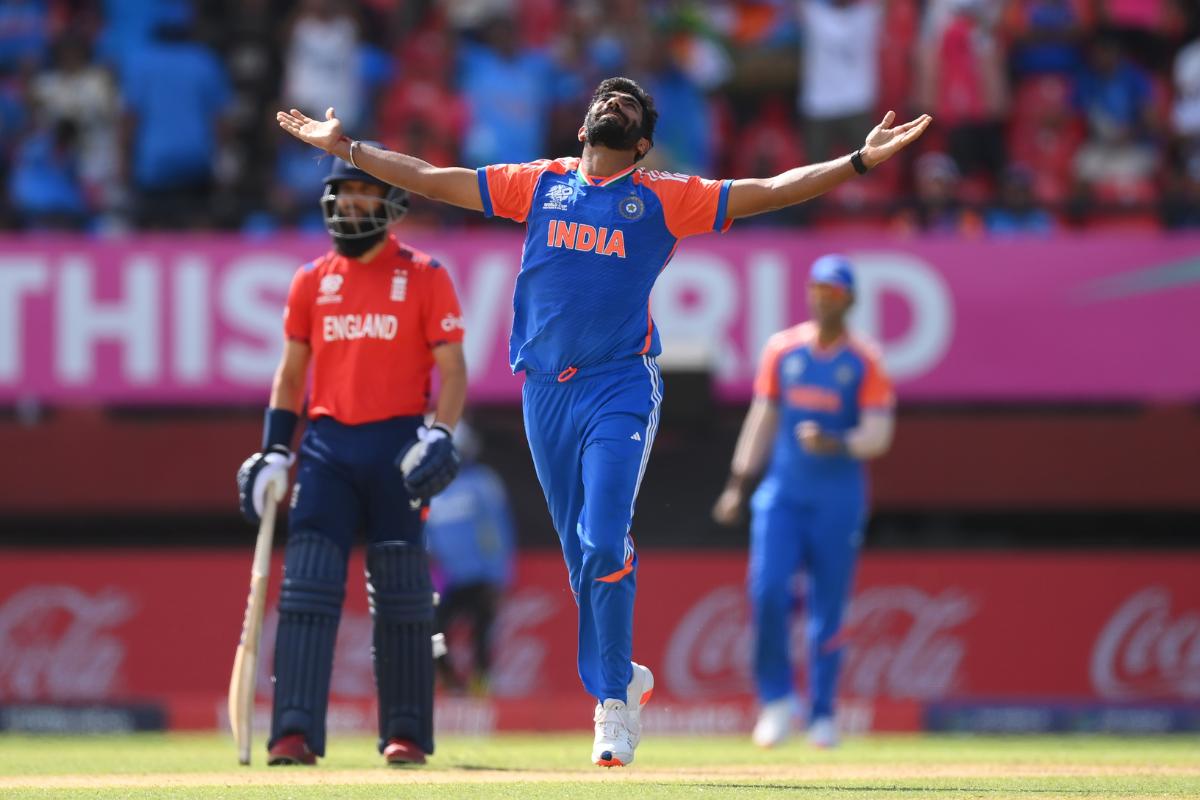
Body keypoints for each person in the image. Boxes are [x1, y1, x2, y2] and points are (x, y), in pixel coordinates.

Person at [277, 77, 929, 768]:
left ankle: (612, 704)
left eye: (628, 108)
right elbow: (436, 180)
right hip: (543, 395)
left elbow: (771, 190)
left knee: (605, 534)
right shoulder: (539, 182)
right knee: (583, 560)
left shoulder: (662, 196)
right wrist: (347, 148)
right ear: (583, 126)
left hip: (619, 384)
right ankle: (626, 676)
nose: (612, 105)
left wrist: (856, 161)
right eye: (605, 100)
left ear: (642, 145)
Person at [235, 146, 467, 767]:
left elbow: (453, 370)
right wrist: (274, 453)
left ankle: (408, 733)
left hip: (397, 448)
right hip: (328, 450)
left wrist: (441, 434)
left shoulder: (425, 274)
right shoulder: (311, 279)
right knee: (307, 590)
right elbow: (290, 377)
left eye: (362, 195)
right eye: (341, 197)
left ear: (390, 204)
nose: (350, 206)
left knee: (402, 596)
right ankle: (294, 732)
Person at [712, 255, 896, 750]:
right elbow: (762, 419)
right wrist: (738, 484)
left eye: (833, 290)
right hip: (782, 497)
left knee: (827, 608)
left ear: (851, 300)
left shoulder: (865, 359)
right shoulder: (783, 350)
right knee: (767, 592)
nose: (822, 297)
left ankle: (822, 712)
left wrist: (837, 442)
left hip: (838, 499)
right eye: (816, 288)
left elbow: (879, 434)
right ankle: (775, 702)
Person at [425, 422, 516, 695]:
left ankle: (481, 685)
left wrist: (499, 574)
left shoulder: (483, 483)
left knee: (482, 633)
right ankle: (450, 682)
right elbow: (423, 537)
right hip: (446, 580)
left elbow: (499, 530)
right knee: (433, 631)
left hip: (480, 576)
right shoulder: (429, 489)